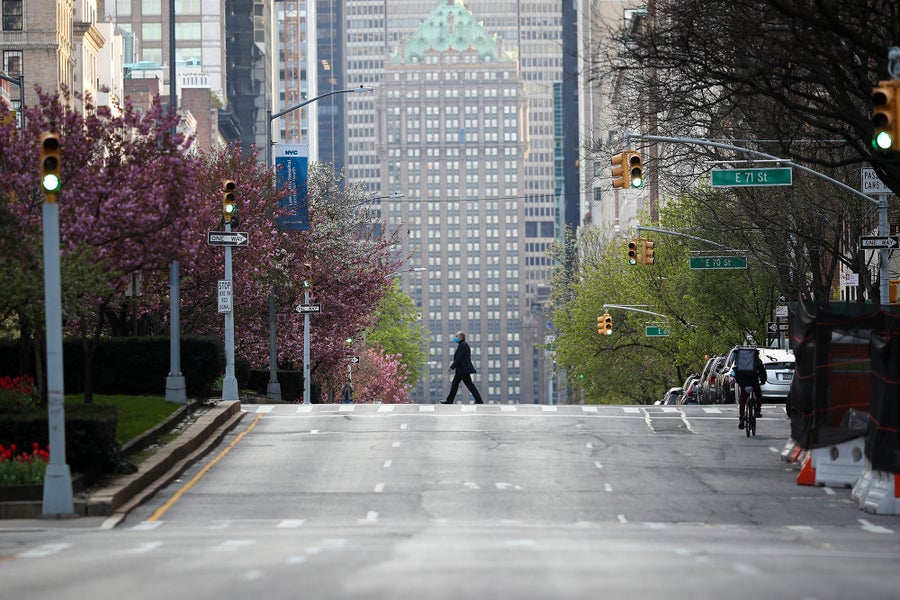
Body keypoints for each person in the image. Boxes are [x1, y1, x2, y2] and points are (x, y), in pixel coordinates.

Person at [442, 331, 484, 404]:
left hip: (463, 369)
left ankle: (450, 400)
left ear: (461, 337)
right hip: (462, 369)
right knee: (467, 385)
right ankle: (479, 400)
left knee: (457, 384)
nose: (455, 338)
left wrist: (452, 367)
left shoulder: (463, 345)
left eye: (456, 336)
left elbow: (459, 358)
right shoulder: (462, 345)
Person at [733, 348, 767, 429]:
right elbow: (762, 371)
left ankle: (741, 418)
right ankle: (757, 411)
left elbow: (735, 370)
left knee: (743, 400)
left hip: (743, 381)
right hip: (753, 381)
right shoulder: (756, 359)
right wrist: (763, 380)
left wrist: (738, 381)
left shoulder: (739, 359)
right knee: (758, 395)